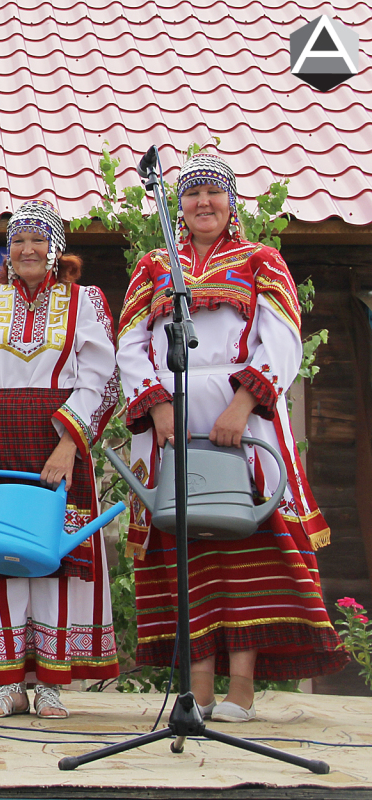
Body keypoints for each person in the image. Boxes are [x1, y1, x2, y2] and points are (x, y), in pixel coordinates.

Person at [117, 153, 347, 722]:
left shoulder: (261, 261)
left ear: (231, 202)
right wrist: (161, 405)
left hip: (244, 426)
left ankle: (240, 691)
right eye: (191, 195)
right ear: (178, 206)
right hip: (174, 423)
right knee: (186, 548)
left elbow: (283, 340)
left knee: (247, 546)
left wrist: (244, 405)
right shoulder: (152, 266)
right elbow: (131, 344)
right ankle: (196, 693)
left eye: (212, 194)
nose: (201, 204)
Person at [0, 199, 120, 719]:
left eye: (38, 239)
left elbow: (101, 376)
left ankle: (52, 685)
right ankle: (8, 682)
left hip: (56, 439)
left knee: (56, 555)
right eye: (18, 241)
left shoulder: (83, 301)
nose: (27, 250)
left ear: (56, 248)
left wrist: (69, 442)